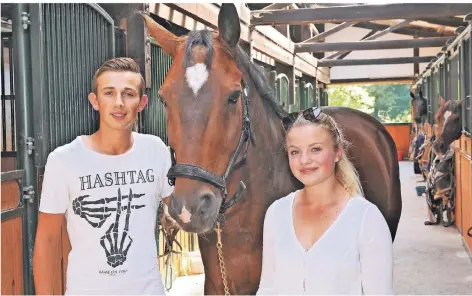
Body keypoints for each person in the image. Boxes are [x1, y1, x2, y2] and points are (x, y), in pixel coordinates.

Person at [33, 58, 173, 295]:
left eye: (128, 94)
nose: (119, 103)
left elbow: (181, 212)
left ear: (142, 103)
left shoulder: (156, 151)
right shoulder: (64, 160)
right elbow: (46, 241)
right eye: (109, 93)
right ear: (95, 101)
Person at [256, 107, 394, 295]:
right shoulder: (276, 213)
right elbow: (268, 288)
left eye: (315, 149)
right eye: (295, 152)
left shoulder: (366, 219)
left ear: (338, 152)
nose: (304, 160)